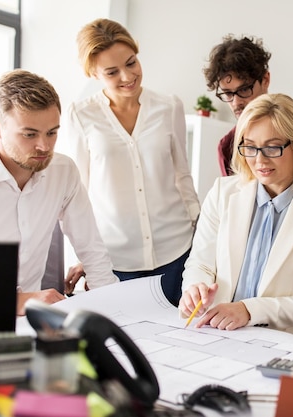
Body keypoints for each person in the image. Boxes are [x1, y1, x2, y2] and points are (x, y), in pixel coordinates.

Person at [179, 93, 293, 339]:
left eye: (272, 147)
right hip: (215, 333)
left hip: (280, 339)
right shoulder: (222, 193)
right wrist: (195, 288)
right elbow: (200, 263)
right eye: (250, 146)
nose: (259, 160)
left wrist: (249, 310)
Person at [0, 69, 119, 315]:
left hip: (29, 326)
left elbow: (92, 250)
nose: (44, 146)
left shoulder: (63, 171)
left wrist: (114, 311)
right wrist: (21, 300)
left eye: (52, 132)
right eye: (29, 134)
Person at [63, 18, 200, 306]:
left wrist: (200, 236)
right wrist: (85, 256)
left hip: (176, 250)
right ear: (93, 73)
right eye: (112, 71)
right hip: (116, 260)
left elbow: (182, 175)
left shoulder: (168, 106)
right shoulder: (81, 115)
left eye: (132, 62)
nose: (127, 76)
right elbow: (80, 194)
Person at [203, 34, 293, 196]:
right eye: (228, 93)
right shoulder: (228, 146)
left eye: (244, 89)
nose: (236, 102)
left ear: (265, 79)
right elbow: (235, 208)